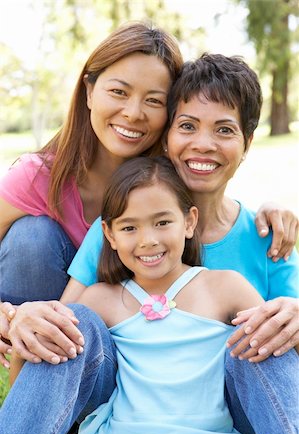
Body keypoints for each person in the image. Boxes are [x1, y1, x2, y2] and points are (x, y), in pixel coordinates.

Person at [0, 22, 298, 367]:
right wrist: (10, 316)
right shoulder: (45, 183)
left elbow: (213, 193)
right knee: (32, 242)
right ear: (89, 91)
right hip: (93, 345)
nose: (133, 112)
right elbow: (65, 318)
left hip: (195, 368)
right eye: (118, 92)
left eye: (153, 100)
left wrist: (272, 211)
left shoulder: (172, 178)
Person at [3, 157, 299, 434]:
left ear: (189, 222)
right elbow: (32, 387)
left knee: (266, 330)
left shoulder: (225, 287)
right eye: (130, 228)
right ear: (110, 234)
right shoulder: (100, 299)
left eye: (162, 222)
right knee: (68, 321)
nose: (148, 240)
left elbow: (282, 369)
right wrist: (26, 330)